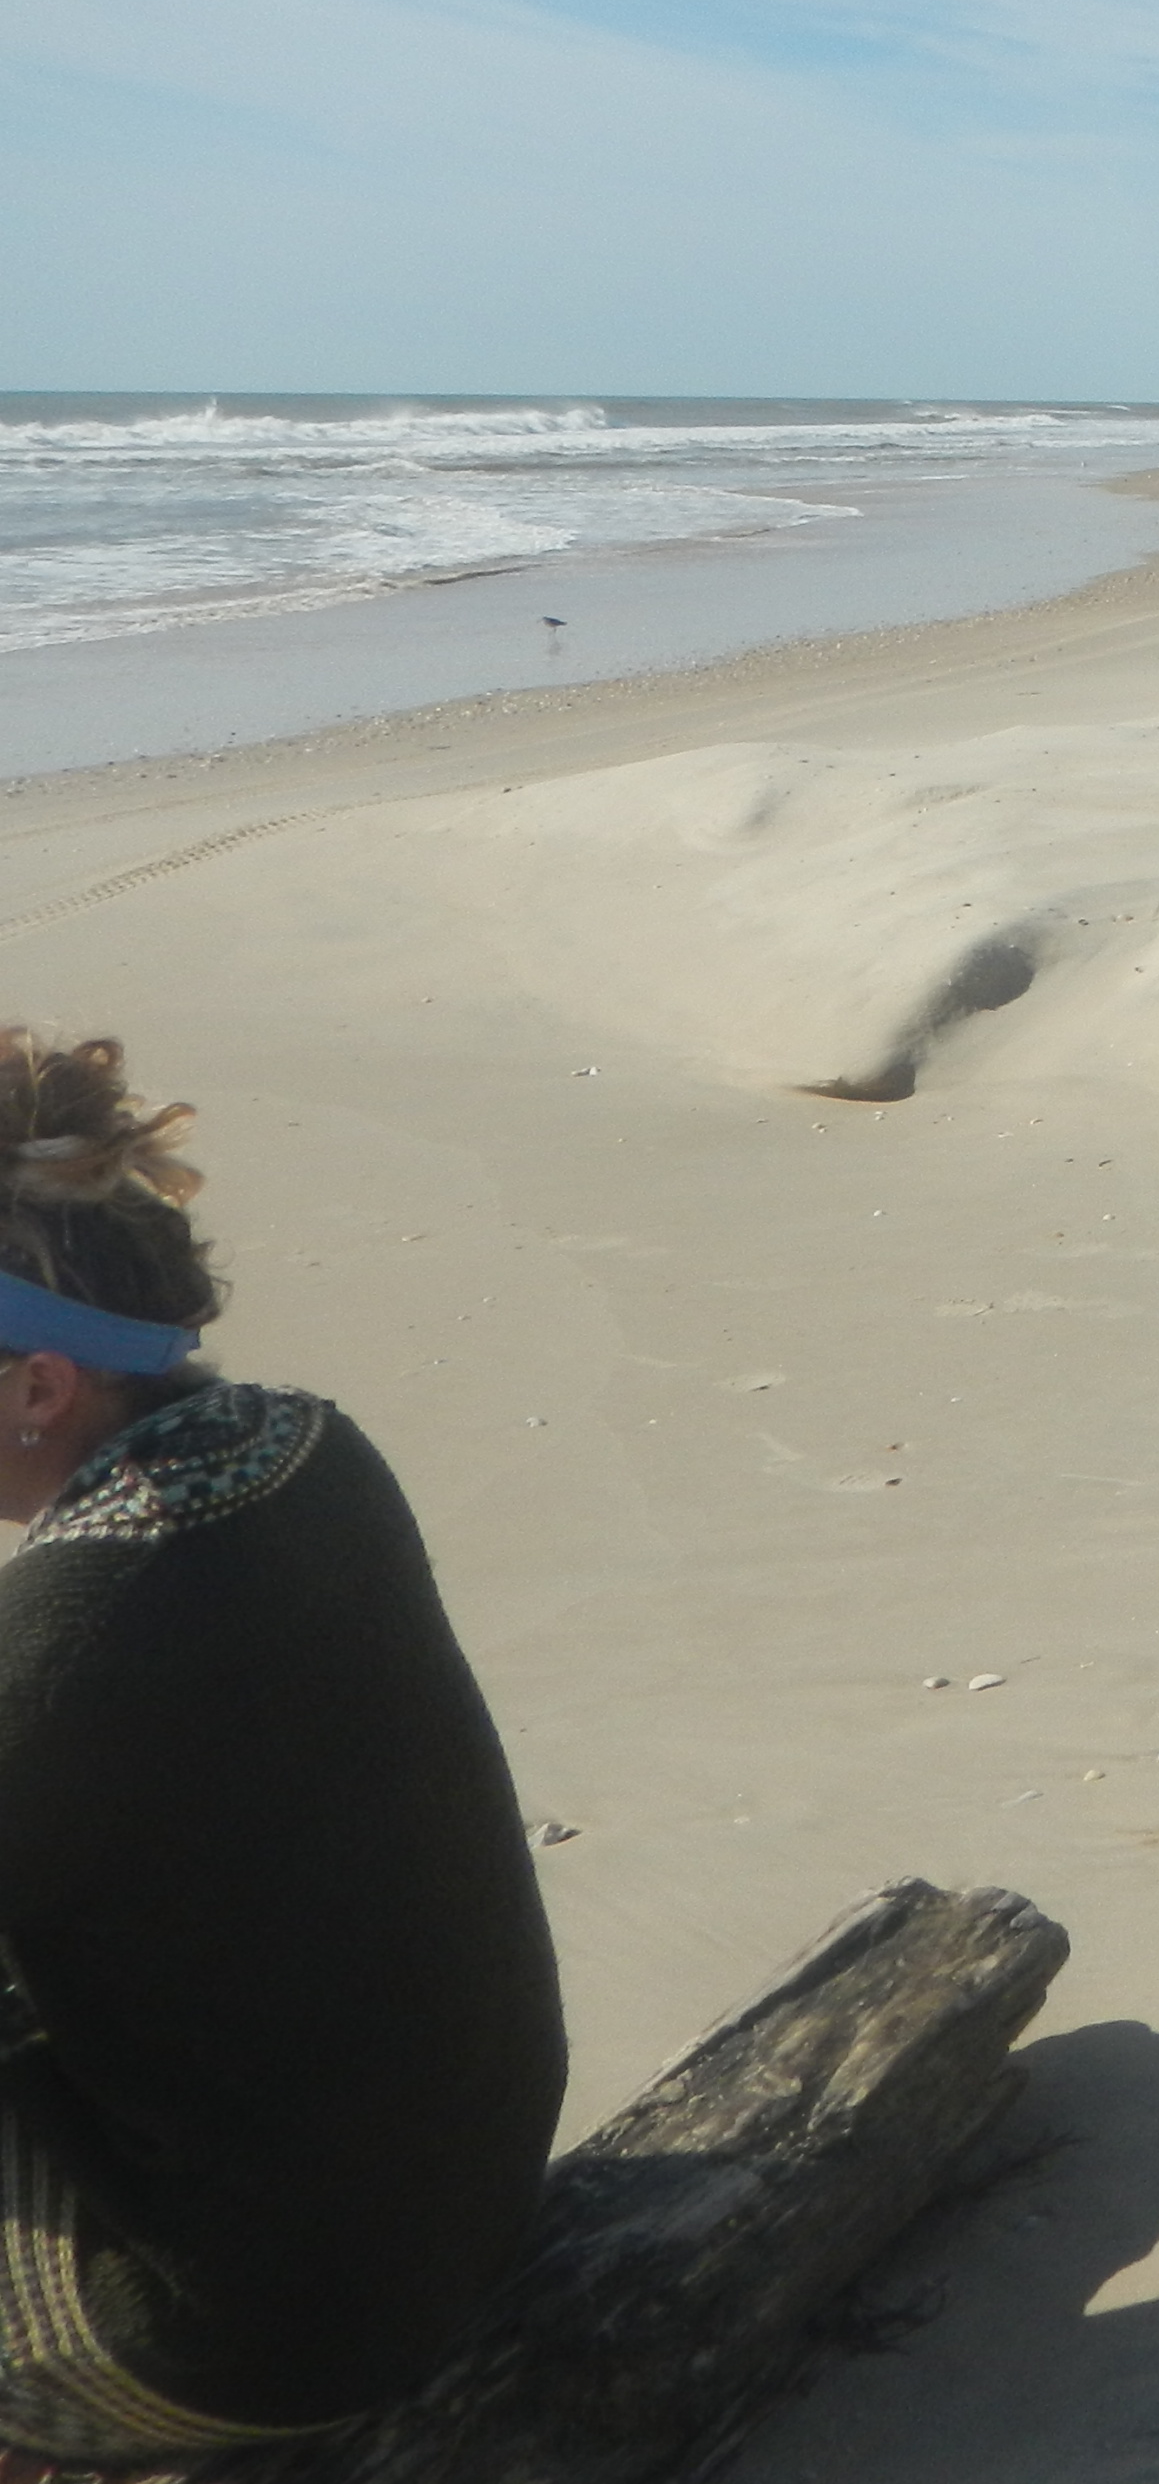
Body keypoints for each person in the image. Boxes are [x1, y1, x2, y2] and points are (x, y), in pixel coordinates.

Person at [0, 1031, 563, 2474]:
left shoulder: (66, 1639)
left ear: (39, 1391)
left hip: (258, 2330)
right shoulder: (305, 1447)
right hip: (458, 2200)